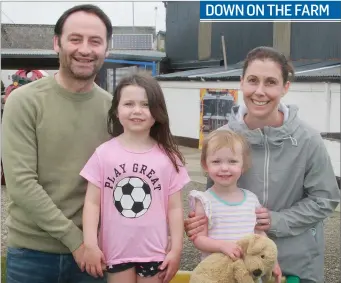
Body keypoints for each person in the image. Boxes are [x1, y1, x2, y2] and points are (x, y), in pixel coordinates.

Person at [184, 46, 340, 283]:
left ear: (285, 87)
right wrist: (199, 222)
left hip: (298, 264)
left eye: (270, 82)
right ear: (241, 82)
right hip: (240, 269)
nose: (259, 91)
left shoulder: (308, 140)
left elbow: (325, 198)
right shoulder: (221, 140)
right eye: (253, 80)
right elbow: (213, 197)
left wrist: (279, 220)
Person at [2, 4, 114, 283]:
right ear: (57, 43)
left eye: (95, 41)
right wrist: (77, 242)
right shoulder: (24, 102)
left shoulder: (115, 109)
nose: (85, 49)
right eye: (75, 39)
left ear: (106, 49)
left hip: (95, 253)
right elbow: (22, 184)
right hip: (33, 254)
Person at [79, 72, 191, 283]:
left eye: (146, 104)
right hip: (115, 251)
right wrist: (91, 244)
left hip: (155, 253)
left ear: (157, 112)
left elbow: (175, 208)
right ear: (116, 110)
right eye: (129, 103)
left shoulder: (168, 158)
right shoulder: (104, 154)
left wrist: (176, 249)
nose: (137, 111)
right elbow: (92, 203)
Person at [188, 129, 281, 282]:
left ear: (243, 165)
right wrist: (221, 246)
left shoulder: (251, 200)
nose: (224, 168)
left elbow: (260, 237)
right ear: (205, 165)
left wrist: (273, 262)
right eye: (216, 161)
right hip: (216, 275)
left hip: (247, 275)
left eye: (232, 161)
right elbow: (199, 239)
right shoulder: (204, 200)